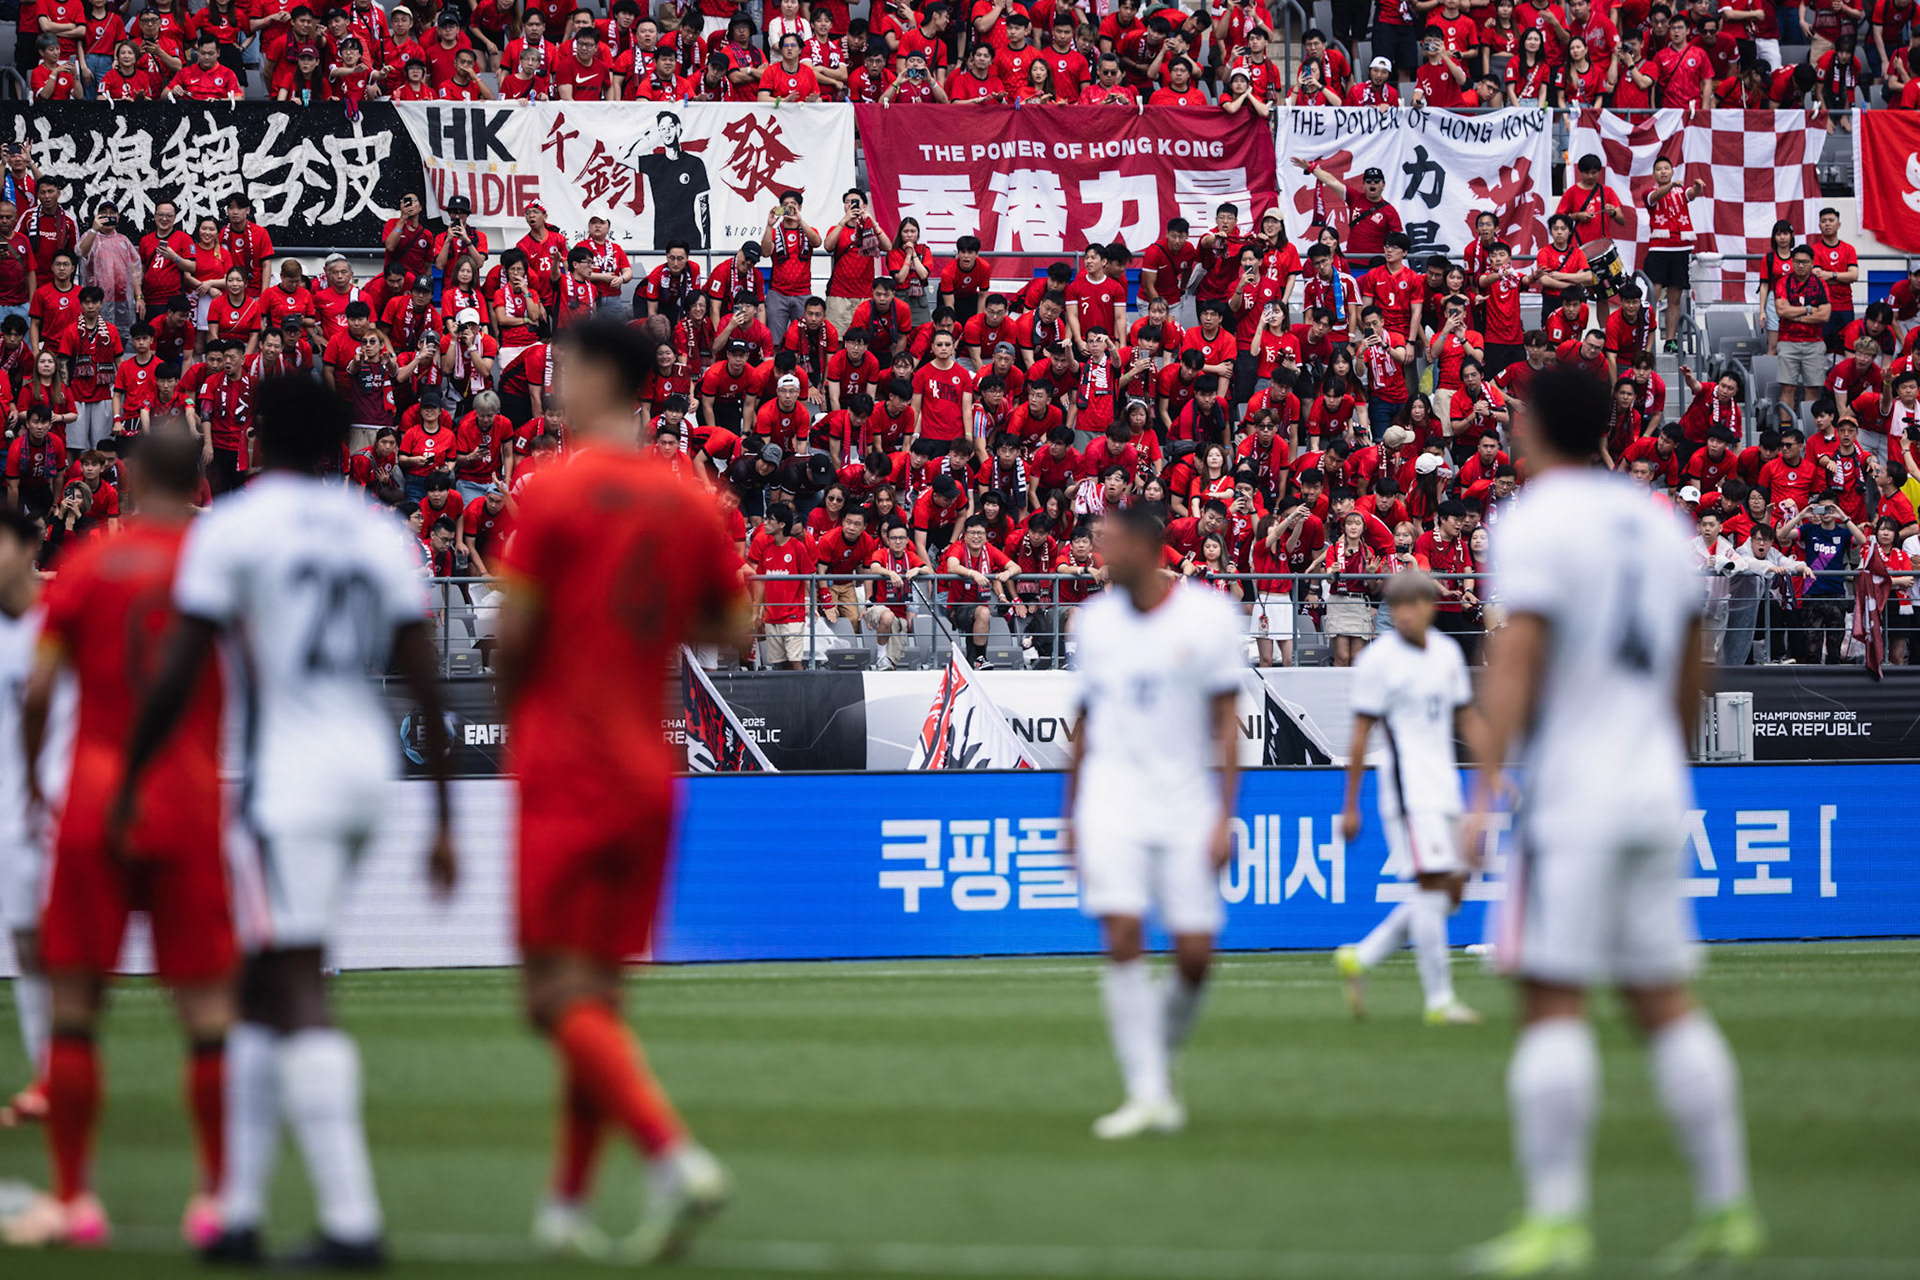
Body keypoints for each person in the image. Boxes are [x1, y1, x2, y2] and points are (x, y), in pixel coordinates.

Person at [113, 379, 456, 1267]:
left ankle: (351, 1219)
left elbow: (182, 667)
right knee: (263, 980)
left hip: (286, 781)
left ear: (255, 435)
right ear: (341, 441)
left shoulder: (233, 526)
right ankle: (237, 1212)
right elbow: (424, 677)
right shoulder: (377, 529)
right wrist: (447, 812)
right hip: (365, 770)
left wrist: (131, 777)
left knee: (294, 978)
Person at [1460, 364, 1761, 1275]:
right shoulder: (1658, 520)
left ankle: (1557, 1218)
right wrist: (1665, 757)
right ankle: (1728, 1204)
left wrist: (1484, 791)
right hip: (1649, 787)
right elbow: (1690, 661)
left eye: (1516, 411)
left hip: (1575, 792)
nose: (1510, 422)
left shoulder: (1537, 520)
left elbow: (1519, 656)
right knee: (1663, 1002)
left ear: (1539, 424)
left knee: (1551, 999)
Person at [492, 318, 747, 1261]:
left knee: (549, 998)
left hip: (567, 765)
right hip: (651, 771)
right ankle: (564, 1208)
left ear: (603, 376)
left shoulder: (552, 492)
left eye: (562, 368)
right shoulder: (690, 499)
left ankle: (670, 1154)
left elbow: (515, 640)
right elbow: (734, 626)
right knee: (593, 996)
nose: (554, 382)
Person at [3, 433, 231, 1250]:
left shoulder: (95, 562)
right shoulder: (216, 568)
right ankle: (215, 1203)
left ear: (129, 479)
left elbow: (37, 686)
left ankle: (75, 1201)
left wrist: (34, 773)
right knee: (207, 1010)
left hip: (95, 798)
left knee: (73, 1006)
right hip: (186, 799)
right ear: (202, 480)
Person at [1064, 503, 1244, 1140]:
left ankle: (1155, 1062)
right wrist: (1071, 813)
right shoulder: (1092, 623)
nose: (1098, 549)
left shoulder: (1210, 616)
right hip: (1111, 797)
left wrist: (1225, 815)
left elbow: (1228, 723)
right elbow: (1084, 721)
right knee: (1122, 934)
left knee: (1196, 954)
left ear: (1145, 545)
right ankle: (1145, 1092)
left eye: (1107, 540)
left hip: (1186, 800)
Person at [1335, 571, 1484, 1025]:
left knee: (1450, 891)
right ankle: (1439, 1001)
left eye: (1411, 604)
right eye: (1395, 606)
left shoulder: (1446, 653)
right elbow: (1360, 735)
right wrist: (1351, 803)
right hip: (1406, 787)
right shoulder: (1378, 660)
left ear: (1430, 605)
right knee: (1431, 885)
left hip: (1444, 782)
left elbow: (1466, 718)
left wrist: (1494, 772)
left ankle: (1361, 956)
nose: (1402, 614)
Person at [0, 511, 55, 1134]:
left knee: (51, 950)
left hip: (56, 808)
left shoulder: (56, 623)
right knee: (27, 945)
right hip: (11, 815)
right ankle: (50, 1074)